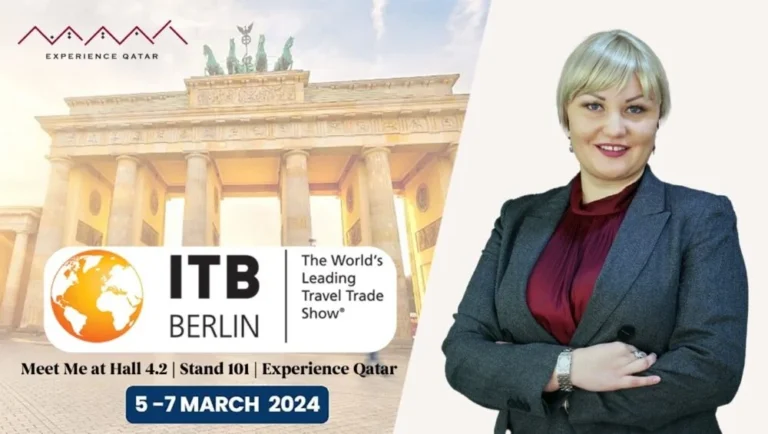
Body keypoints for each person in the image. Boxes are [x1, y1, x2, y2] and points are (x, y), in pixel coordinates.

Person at [441, 29, 748, 434]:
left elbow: (712, 367)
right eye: (594, 106)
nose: (615, 127)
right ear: (567, 117)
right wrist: (569, 369)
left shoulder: (701, 216)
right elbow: (463, 354)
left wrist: (546, 389)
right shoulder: (516, 218)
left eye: (635, 109)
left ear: (658, 120)